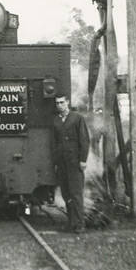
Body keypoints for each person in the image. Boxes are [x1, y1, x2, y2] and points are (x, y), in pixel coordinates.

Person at [52, 93, 90, 233]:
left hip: (75, 162)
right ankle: (71, 222)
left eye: (62, 102)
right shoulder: (56, 121)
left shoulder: (77, 118)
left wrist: (83, 160)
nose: (59, 105)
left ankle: (80, 224)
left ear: (67, 102)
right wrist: (56, 162)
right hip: (62, 163)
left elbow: (84, 140)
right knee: (66, 194)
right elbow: (55, 143)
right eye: (57, 103)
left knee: (76, 194)